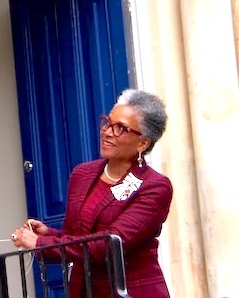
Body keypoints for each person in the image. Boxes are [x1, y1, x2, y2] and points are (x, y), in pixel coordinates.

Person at [11, 89, 173, 297]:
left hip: (130, 292)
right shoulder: (83, 175)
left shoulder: (154, 187)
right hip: (84, 289)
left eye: (120, 128)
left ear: (143, 143)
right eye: (107, 122)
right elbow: (77, 238)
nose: (107, 132)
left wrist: (42, 244)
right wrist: (48, 234)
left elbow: (110, 244)